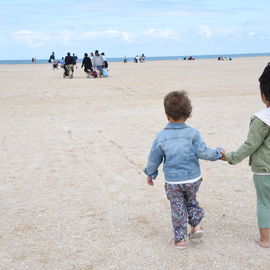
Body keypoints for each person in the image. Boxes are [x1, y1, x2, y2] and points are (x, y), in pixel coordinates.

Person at [144, 91, 223, 249]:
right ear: (188, 114)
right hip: (193, 179)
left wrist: (150, 174)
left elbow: (154, 158)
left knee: (178, 207)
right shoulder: (193, 134)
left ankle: (179, 239)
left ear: (167, 115)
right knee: (191, 201)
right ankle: (196, 226)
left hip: (174, 182)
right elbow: (203, 152)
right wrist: (218, 153)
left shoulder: (161, 137)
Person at [221, 63, 270, 248]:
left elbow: (251, 145)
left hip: (265, 171)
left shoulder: (261, 119)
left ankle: (266, 240)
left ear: (263, 95)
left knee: (265, 203)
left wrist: (231, 157)